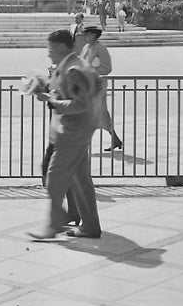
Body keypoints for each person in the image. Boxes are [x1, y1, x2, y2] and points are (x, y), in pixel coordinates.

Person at [29, 29, 103, 241]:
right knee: (80, 182)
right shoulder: (72, 65)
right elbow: (68, 91)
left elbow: (80, 104)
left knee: (54, 179)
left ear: (61, 47)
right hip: (78, 130)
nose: (48, 53)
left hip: (72, 132)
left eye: (51, 48)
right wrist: (43, 88)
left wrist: (52, 102)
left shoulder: (73, 70)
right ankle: (90, 226)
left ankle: (53, 224)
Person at [77, 24, 123, 151]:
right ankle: (115, 139)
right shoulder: (86, 47)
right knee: (93, 114)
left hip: (97, 86)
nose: (85, 36)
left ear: (93, 35)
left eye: (87, 34)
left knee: (98, 114)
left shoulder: (101, 48)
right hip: (87, 86)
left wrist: (91, 70)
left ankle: (84, 143)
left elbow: (107, 68)